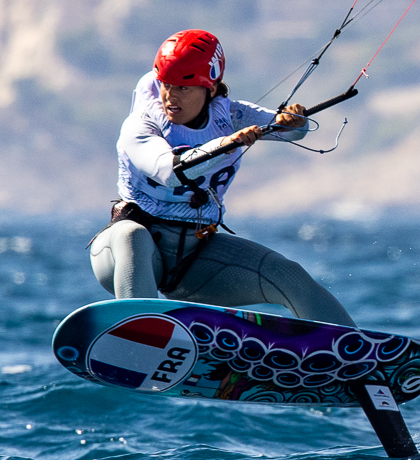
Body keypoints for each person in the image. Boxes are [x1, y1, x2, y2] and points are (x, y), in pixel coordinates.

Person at [88, 29, 355, 326]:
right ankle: (140, 336)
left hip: (193, 256)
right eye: (165, 84)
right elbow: (170, 171)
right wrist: (228, 143)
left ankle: (363, 361)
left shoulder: (230, 115)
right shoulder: (141, 123)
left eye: (183, 88)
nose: (170, 96)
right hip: (126, 254)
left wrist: (295, 119)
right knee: (131, 235)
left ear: (210, 89)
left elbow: (291, 130)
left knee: (289, 275)